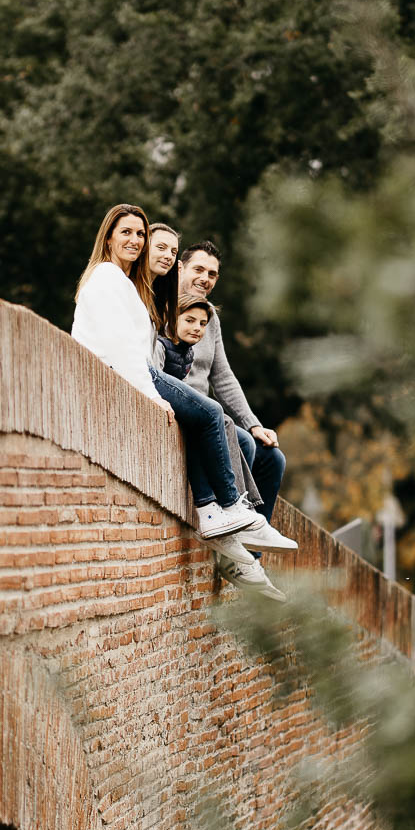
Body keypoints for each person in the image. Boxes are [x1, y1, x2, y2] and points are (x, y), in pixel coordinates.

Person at [71, 205, 287, 583]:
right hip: (133, 380)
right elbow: (126, 349)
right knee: (211, 416)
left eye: (141, 235)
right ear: (108, 237)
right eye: (129, 234)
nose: (136, 242)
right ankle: (226, 516)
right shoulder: (120, 283)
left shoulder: (138, 288)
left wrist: (253, 423)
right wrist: (155, 396)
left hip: (142, 378)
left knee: (264, 451)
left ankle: (242, 548)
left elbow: (224, 374)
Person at [178, 241, 287, 531]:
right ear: (180, 268)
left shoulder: (210, 316)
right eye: (198, 269)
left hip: (210, 413)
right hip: (191, 414)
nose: (205, 278)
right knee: (241, 442)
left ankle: (252, 550)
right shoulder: (164, 306)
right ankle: (234, 528)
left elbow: (223, 376)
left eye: (212, 274)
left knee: (273, 458)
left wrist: (253, 423)